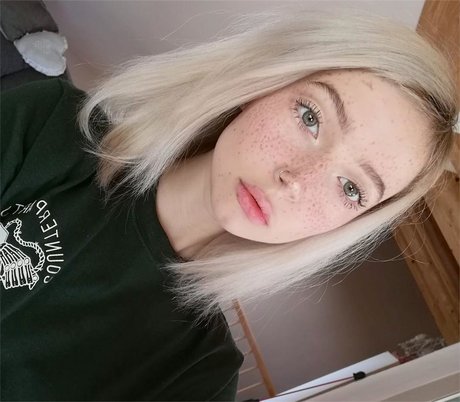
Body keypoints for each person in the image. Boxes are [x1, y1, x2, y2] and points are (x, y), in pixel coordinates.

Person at [1, 6, 458, 401]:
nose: (297, 180)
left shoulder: (200, 373)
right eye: (310, 117)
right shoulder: (52, 126)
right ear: (261, 86)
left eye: (352, 189)